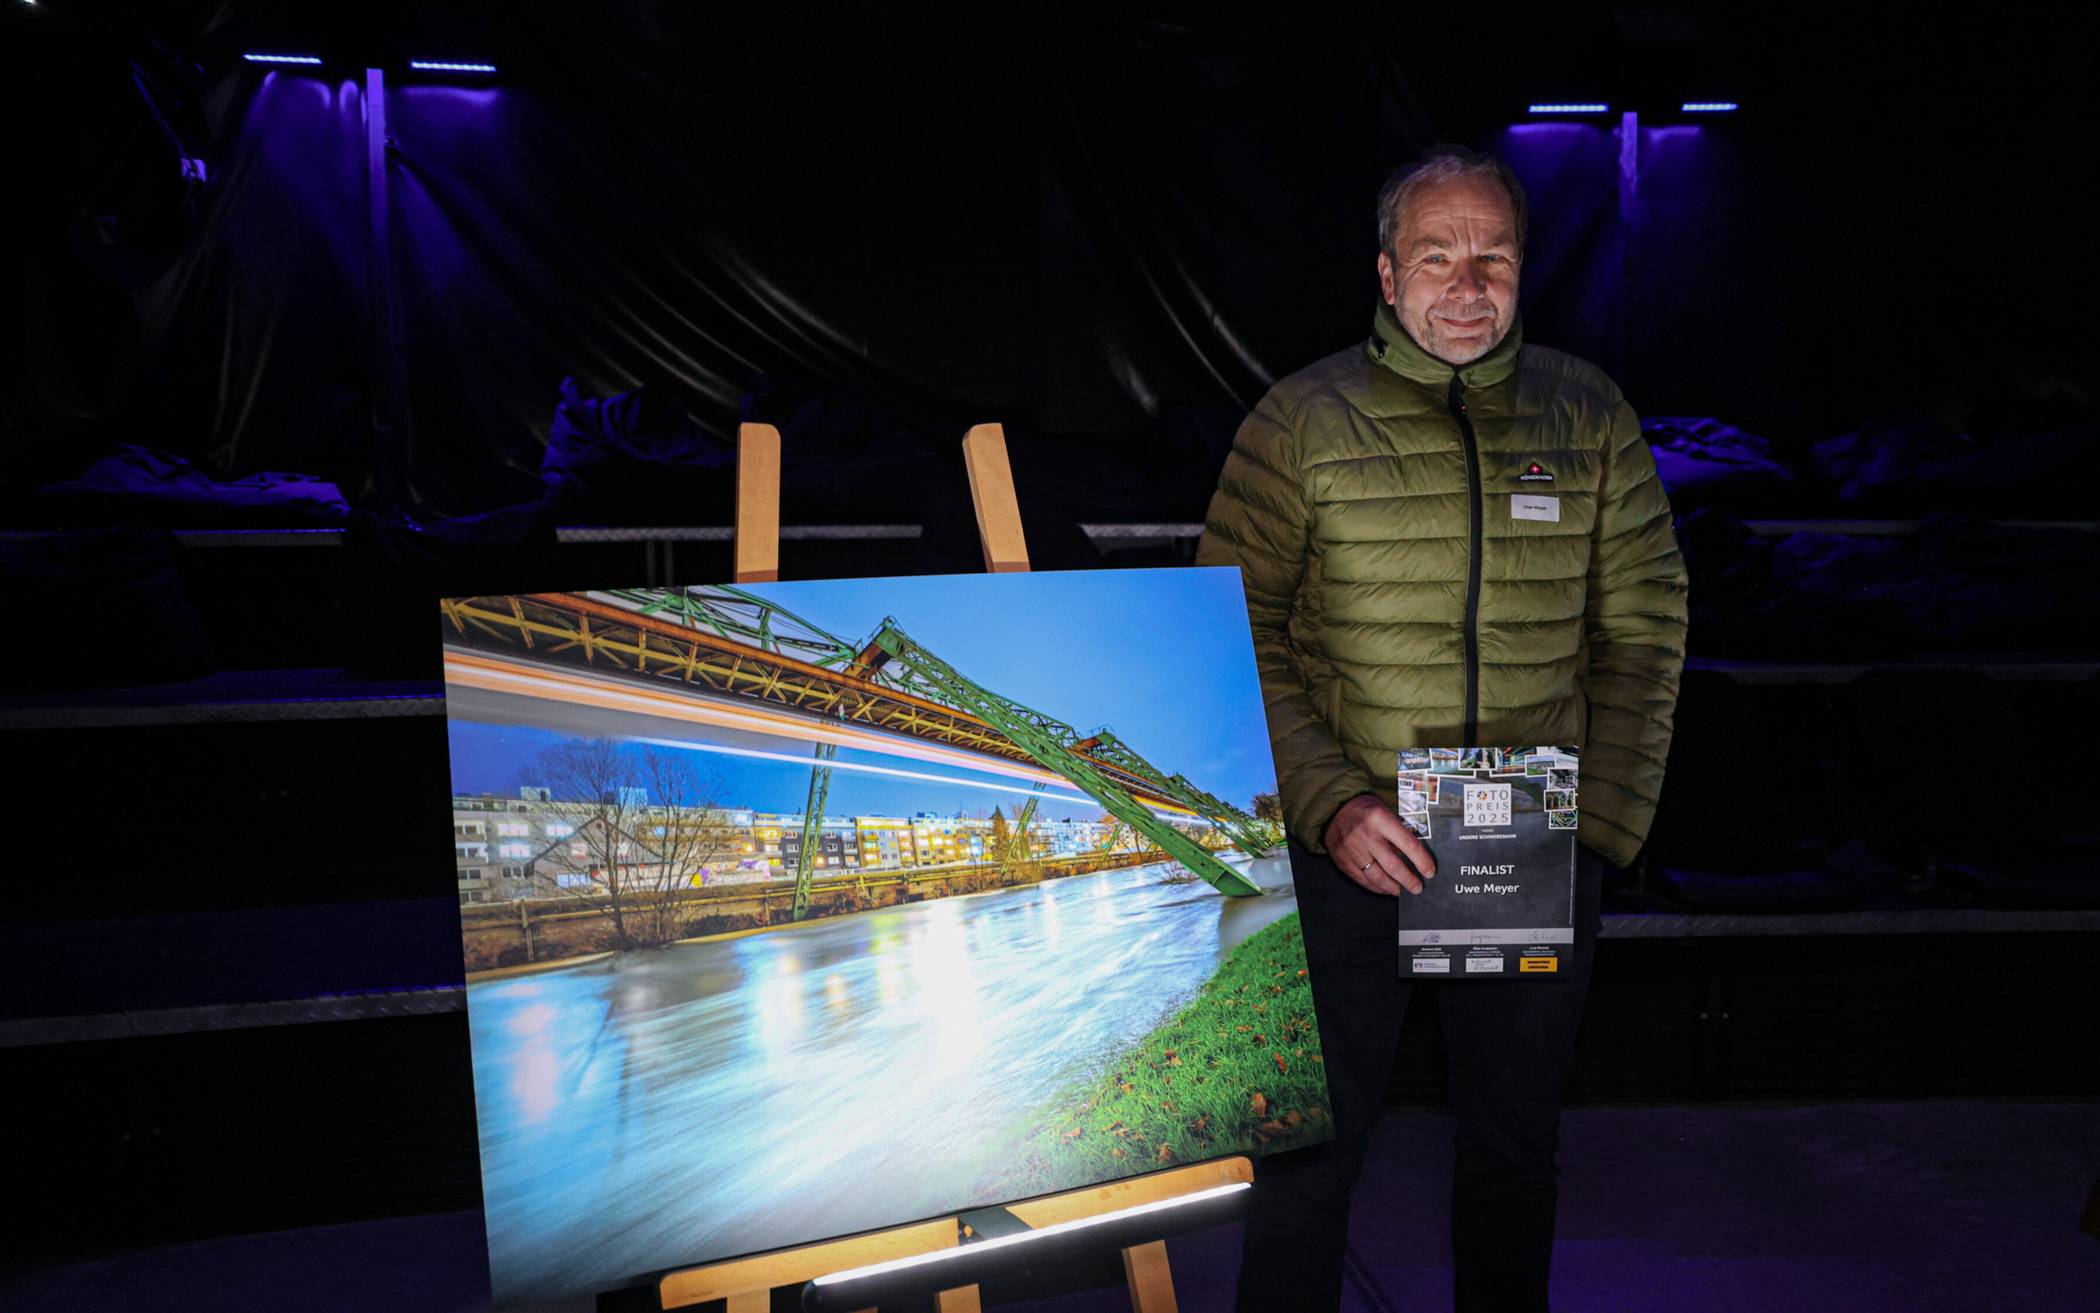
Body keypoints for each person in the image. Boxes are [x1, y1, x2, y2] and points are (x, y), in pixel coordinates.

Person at [1195, 144, 1688, 1311]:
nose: (1466, 285)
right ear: (1385, 271)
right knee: (1310, 1160)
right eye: (1436, 256)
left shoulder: (1589, 414)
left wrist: (1594, 829)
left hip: (1529, 843)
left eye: (1494, 257)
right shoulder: (1301, 418)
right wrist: (1329, 801)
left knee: (1514, 1154)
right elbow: (1230, 631)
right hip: (1348, 850)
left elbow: (1646, 623)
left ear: (1523, 271)